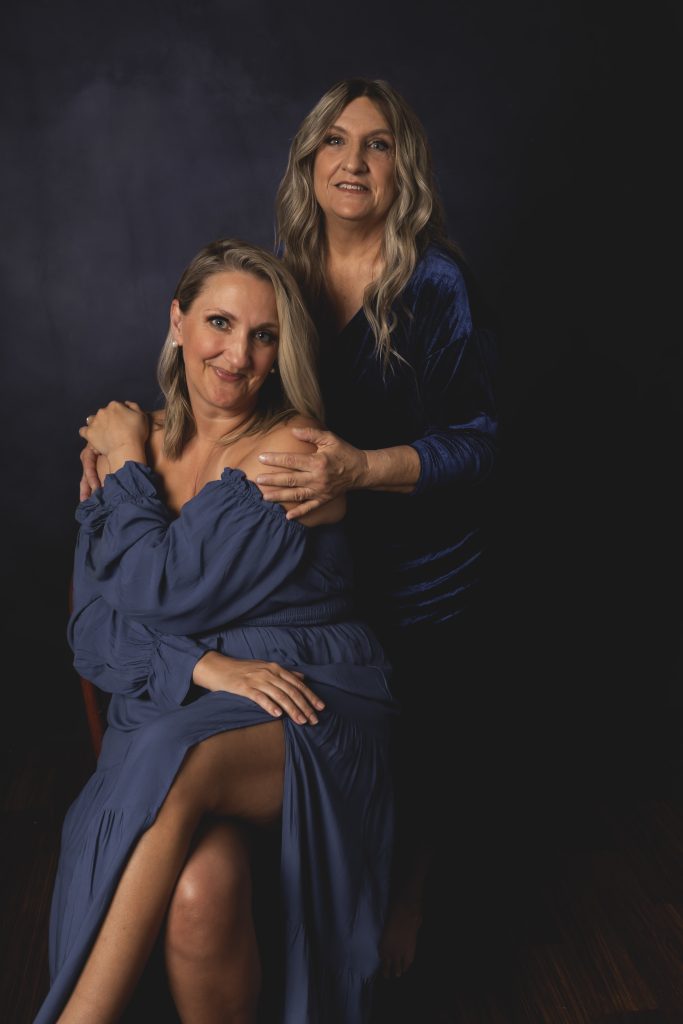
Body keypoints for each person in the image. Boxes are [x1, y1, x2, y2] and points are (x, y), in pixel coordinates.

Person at [80, 77, 498, 1004]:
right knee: (216, 818)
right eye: (335, 143)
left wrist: (360, 471)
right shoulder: (282, 278)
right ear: (309, 163)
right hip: (290, 554)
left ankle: (402, 902)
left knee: (420, 733)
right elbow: (223, 387)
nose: (354, 162)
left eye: (379, 144)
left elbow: (480, 441)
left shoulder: (432, 281)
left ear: (405, 169)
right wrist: (135, 445)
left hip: (405, 550)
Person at [37, 238, 397, 1024]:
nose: (237, 354)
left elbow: (161, 592)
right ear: (178, 321)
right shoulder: (136, 448)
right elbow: (93, 631)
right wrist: (203, 667)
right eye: (220, 323)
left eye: (263, 335)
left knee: (180, 757)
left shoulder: (286, 450)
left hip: (304, 704)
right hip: (183, 701)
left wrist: (128, 461)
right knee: (202, 887)